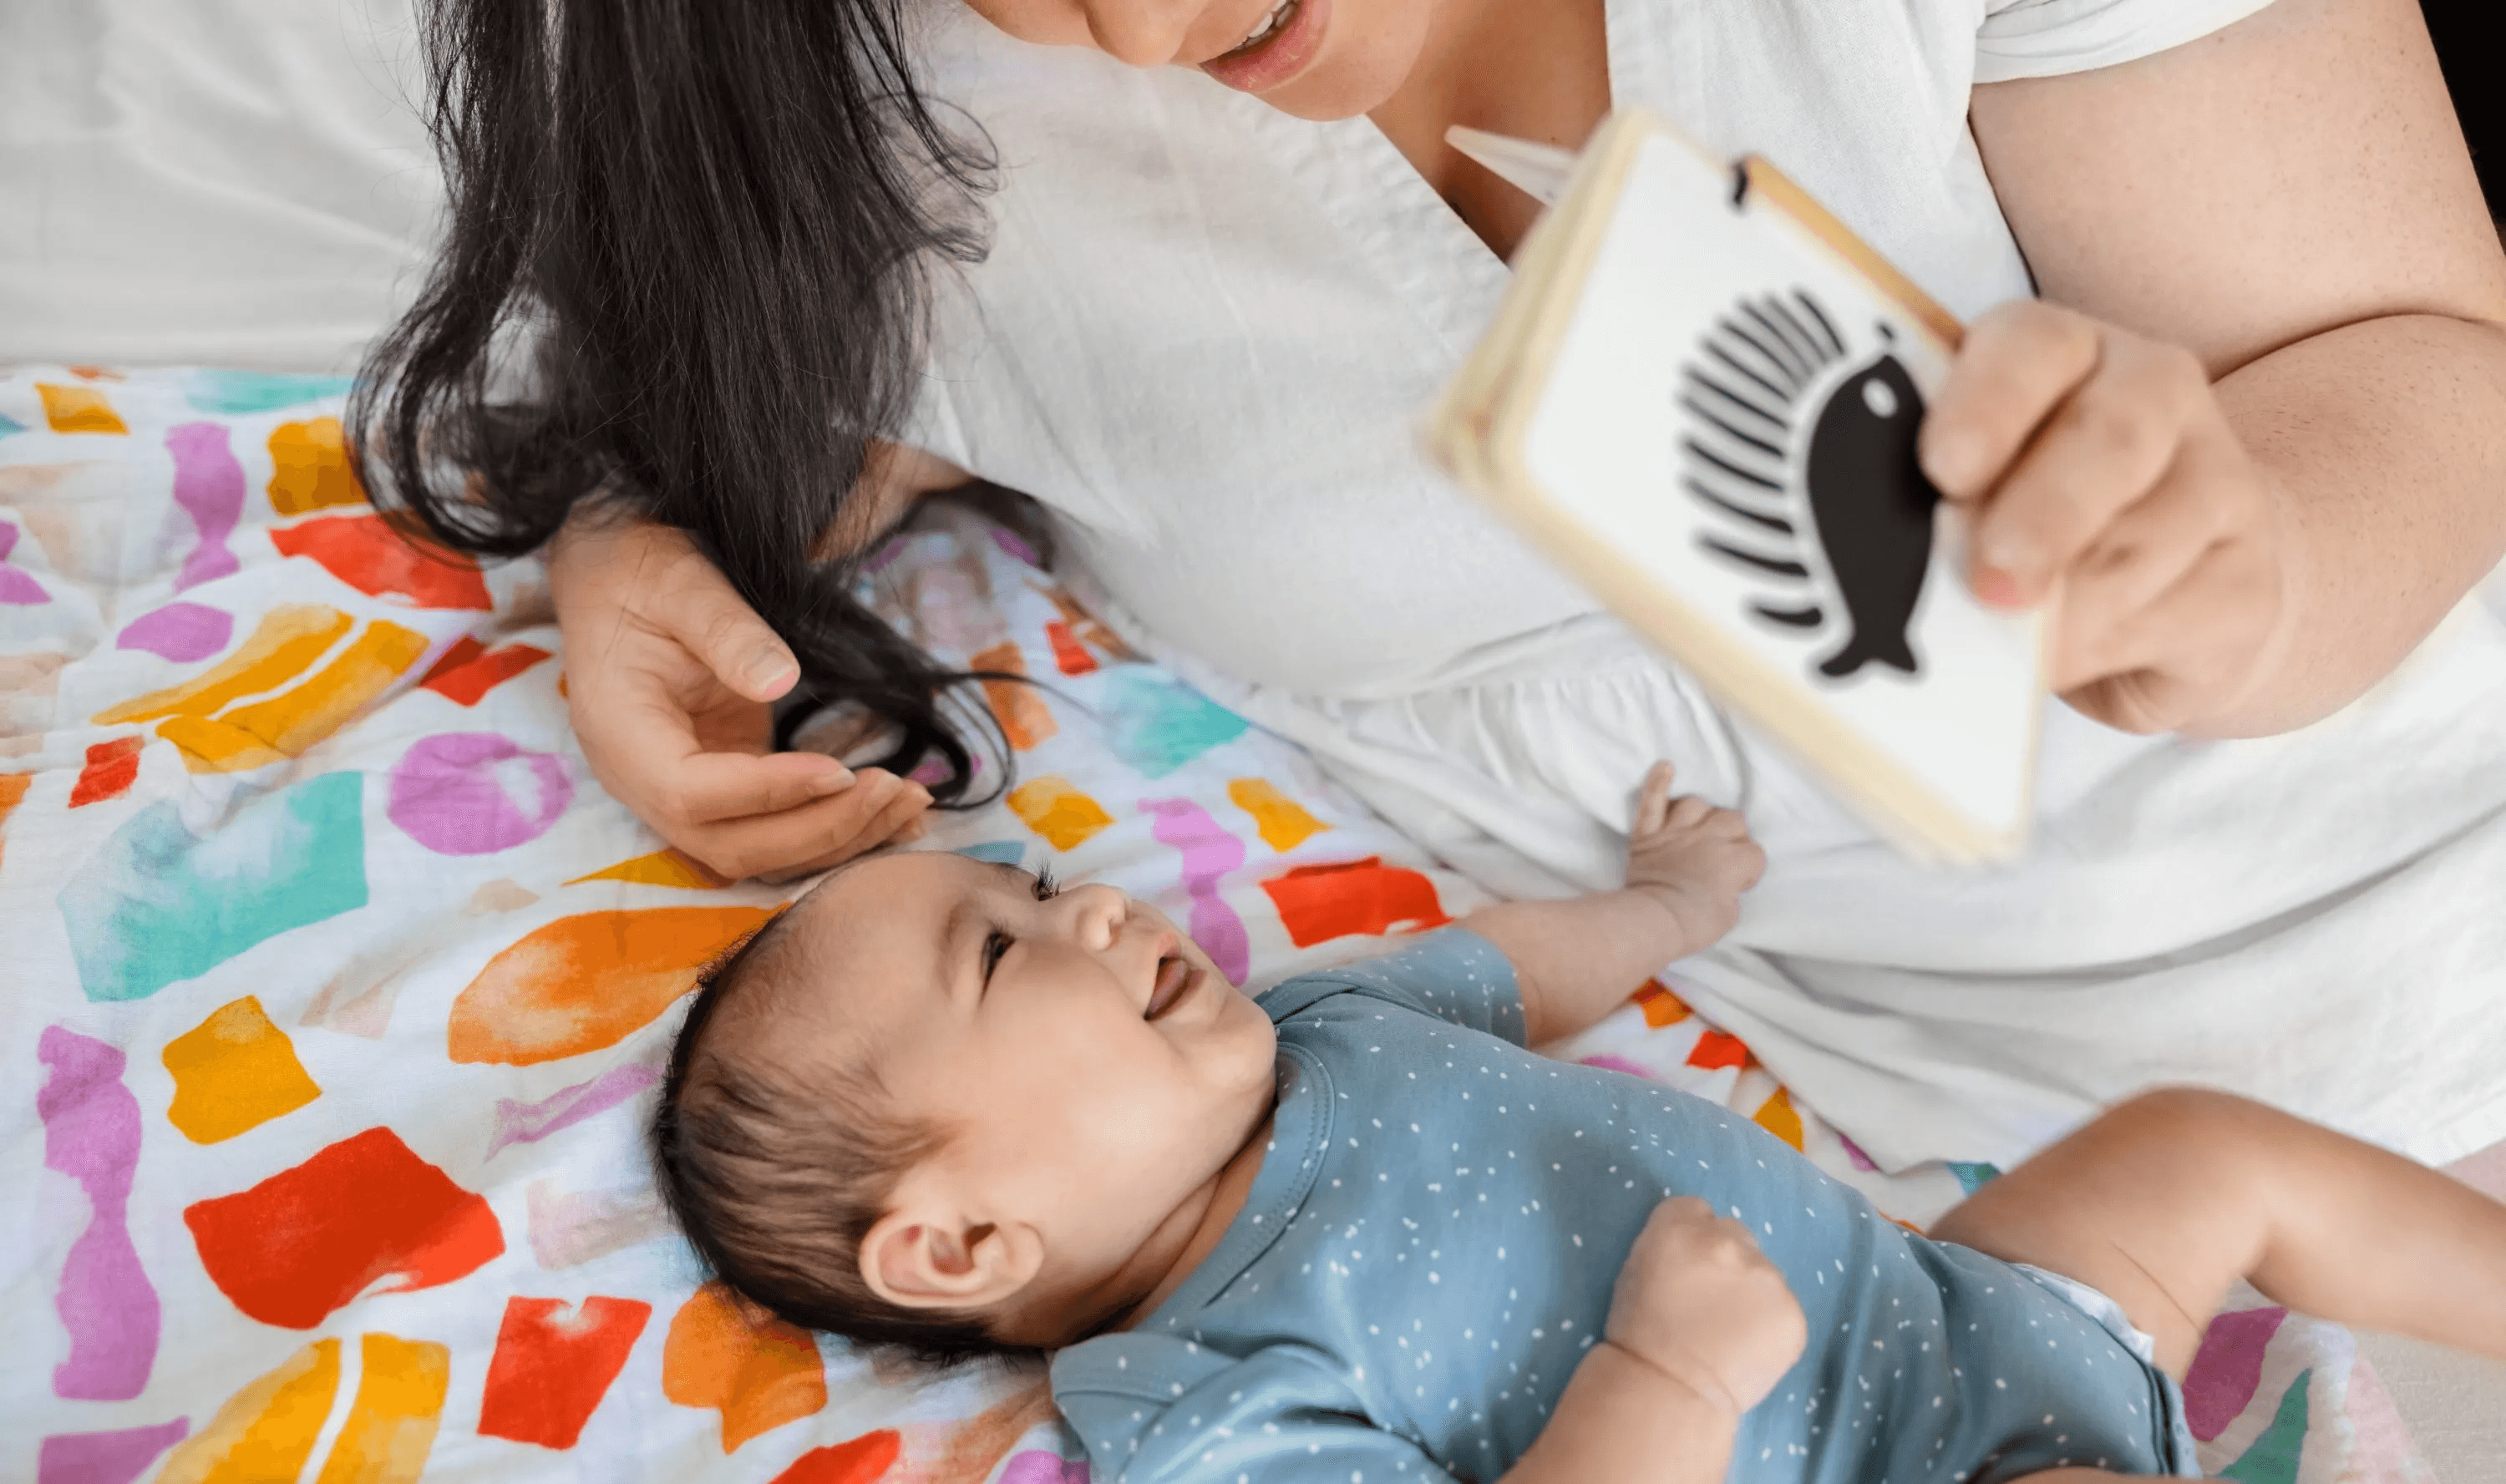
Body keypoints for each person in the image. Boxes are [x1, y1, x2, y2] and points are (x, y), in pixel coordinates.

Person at [354, 0, 2506, 1168]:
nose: (1140, 18)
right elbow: (801, 410)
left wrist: (2256, 570)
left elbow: (2426, 362)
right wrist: (645, 542)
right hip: (1965, 1159)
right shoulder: (900, 129)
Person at [651, 762, 2506, 1483]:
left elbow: (1511, 977)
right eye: (1005, 956)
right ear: (963, 1243)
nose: (1100, 914)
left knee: (2195, 1150)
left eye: (1043, 888)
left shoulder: (1317, 1023)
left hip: (1954, 1315)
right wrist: (1666, 1393)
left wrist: (1668, 915)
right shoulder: (1198, 1402)